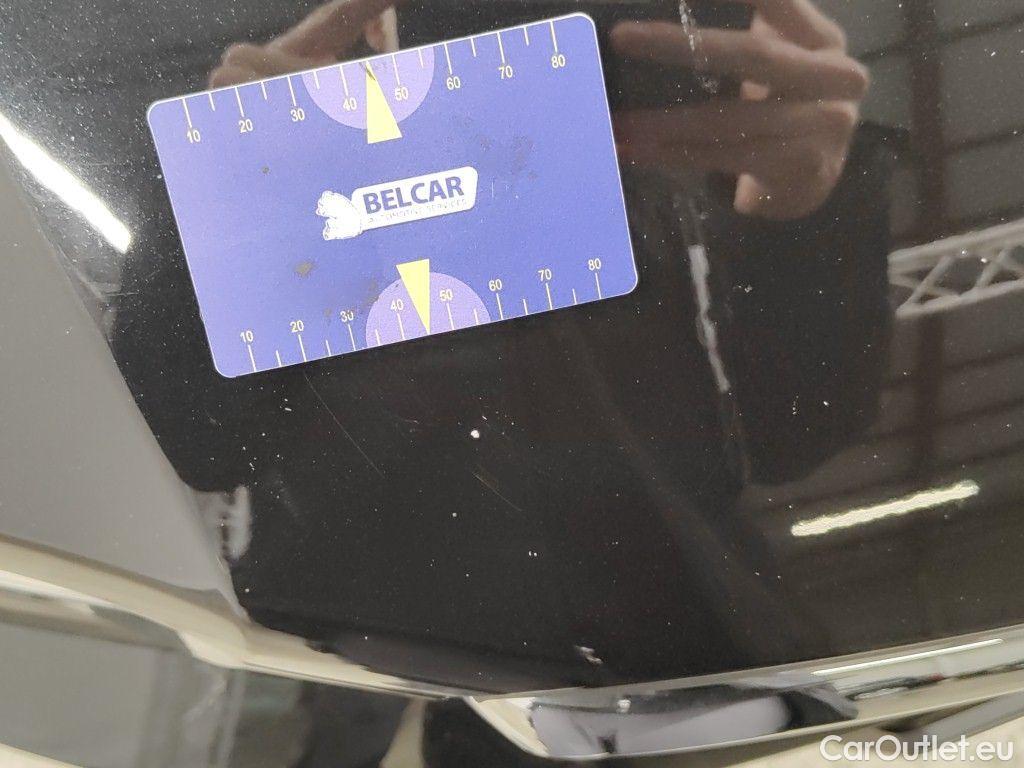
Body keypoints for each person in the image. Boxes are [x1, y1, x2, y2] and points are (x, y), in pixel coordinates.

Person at [114, 0, 895, 701]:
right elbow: (201, 440)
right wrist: (214, 203)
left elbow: (798, 436)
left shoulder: (689, 179)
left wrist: (804, 218)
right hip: (384, 684)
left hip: (706, 673)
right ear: (379, 22)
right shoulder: (309, 184)